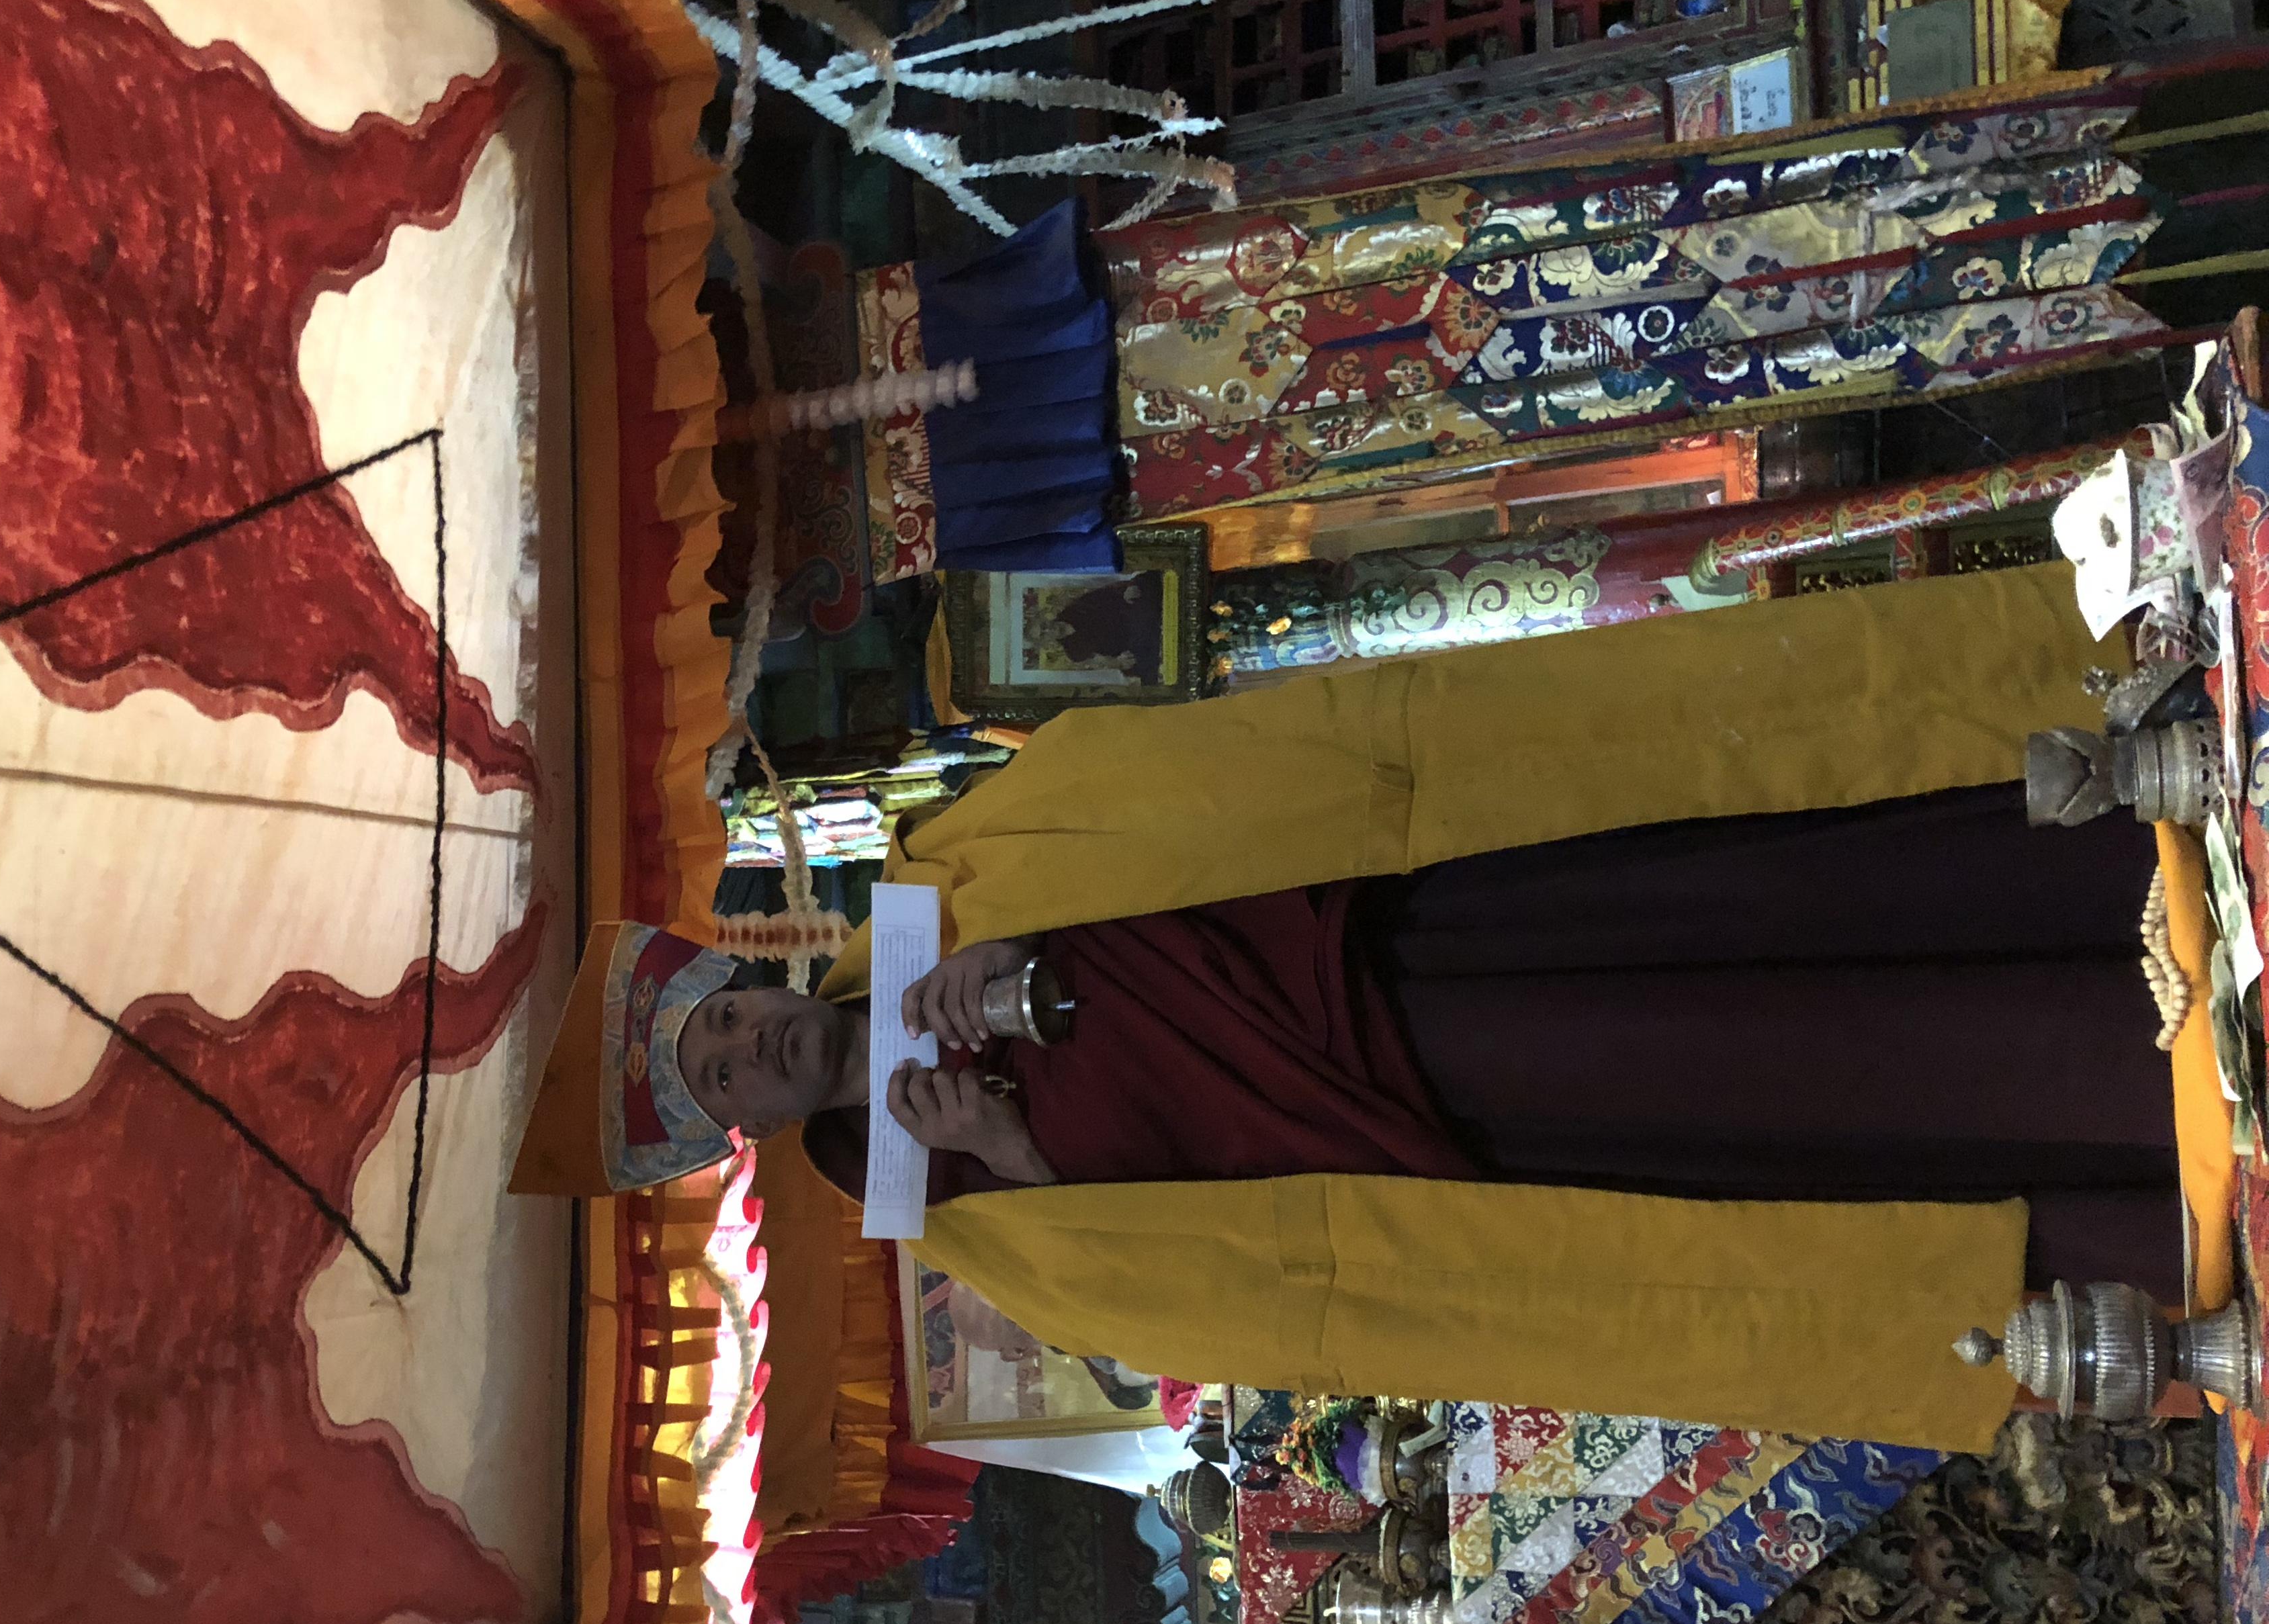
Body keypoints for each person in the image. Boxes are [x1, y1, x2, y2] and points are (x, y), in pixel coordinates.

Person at [513, 563, 2184, 1451]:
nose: (749, 1047)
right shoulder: (957, 1221)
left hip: (1435, 894)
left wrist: (1016, 954)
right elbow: (1198, 1299)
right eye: (720, 1077)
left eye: (719, 1017)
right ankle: (2159, 1122)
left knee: (1791, 867)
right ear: (732, 1136)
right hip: (1438, 1101)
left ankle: (2146, 793)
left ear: (736, 973)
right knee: (1805, 1081)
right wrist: (1016, 1150)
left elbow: (1191, 784)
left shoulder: (941, 871)